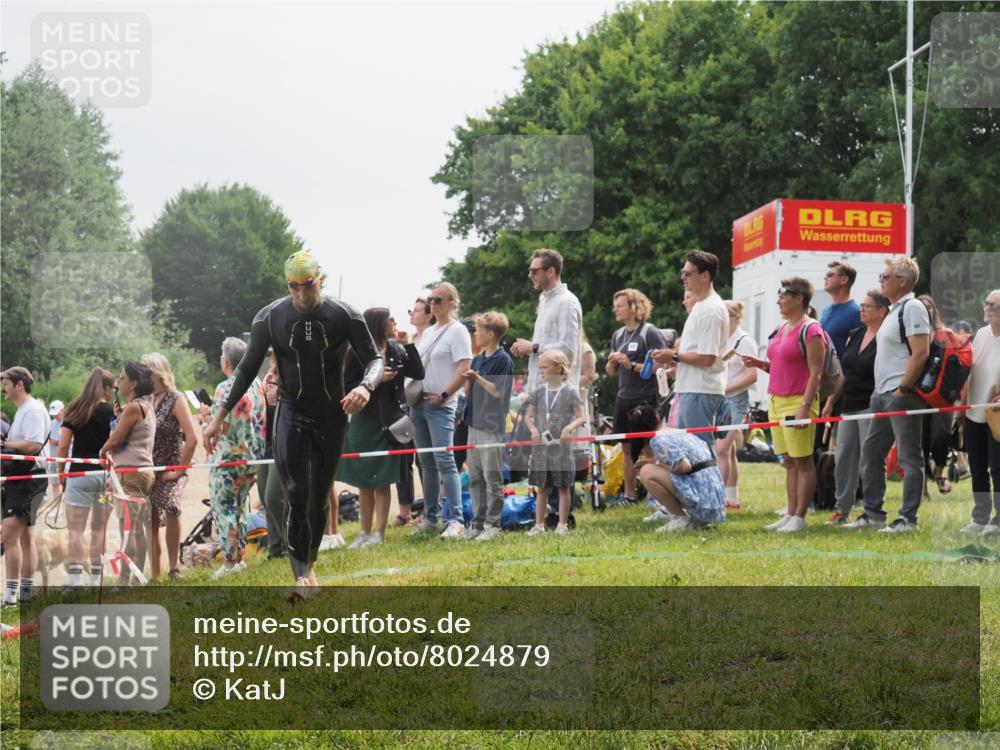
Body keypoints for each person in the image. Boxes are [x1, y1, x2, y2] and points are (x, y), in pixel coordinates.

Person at [202, 252, 382, 598]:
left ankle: (309, 563)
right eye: (293, 287)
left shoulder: (344, 314)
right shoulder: (270, 317)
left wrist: (365, 386)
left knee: (317, 497)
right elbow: (246, 369)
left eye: (308, 286)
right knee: (296, 492)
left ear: (320, 280)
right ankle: (300, 575)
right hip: (291, 410)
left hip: (331, 412)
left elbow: (374, 358)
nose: (301, 295)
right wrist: (217, 417)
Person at [845, 256, 930, 532]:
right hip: (880, 394)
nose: (880, 281)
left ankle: (908, 519)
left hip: (901, 394)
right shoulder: (894, 310)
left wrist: (904, 388)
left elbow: (921, 353)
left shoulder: (913, 308)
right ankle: (873, 514)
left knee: (909, 457)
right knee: (871, 453)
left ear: (903, 281)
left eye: (885, 277)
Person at [742, 278, 827, 533]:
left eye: (783, 296)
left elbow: (816, 373)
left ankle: (800, 517)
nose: (778, 301)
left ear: (799, 299)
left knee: (803, 462)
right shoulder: (782, 328)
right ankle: (790, 513)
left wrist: (804, 406)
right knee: (788, 461)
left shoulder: (811, 329)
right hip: (776, 400)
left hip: (798, 400)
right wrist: (760, 364)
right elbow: (782, 365)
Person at [339, 308, 424, 549]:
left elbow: (418, 373)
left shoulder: (397, 349)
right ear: (378, 324)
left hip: (391, 421)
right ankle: (363, 532)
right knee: (364, 479)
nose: (395, 322)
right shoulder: (357, 351)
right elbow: (346, 384)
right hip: (365, 420)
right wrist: (375, 381)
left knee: (383, 479)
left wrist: (408, 345)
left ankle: (379, 533)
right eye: (391, 319)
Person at [409, 282, 473, 539]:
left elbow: (464, 368)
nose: (433, 304)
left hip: (442, 405)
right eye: (431, 300)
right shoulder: (429, 331)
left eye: (438, 300)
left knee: (445, 461)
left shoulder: (458, 331)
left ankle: (455, 520)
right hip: (419, 403)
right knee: (426, 463)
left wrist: (445, 395)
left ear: (452, 303)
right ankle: (431, 517)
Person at [821, 290, 889, 525]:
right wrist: (831, 400)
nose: (862, 309)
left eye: (867, 306)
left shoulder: (886, 337)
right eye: (861, 305)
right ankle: (842, 509)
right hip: (848, 406)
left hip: (871, 405)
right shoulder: (855, 334)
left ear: (881, 311)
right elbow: (844, 373)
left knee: (868, 460)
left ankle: (872, 511)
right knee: (844, 457)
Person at [652, 252, 729, 453]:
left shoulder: (711, 309)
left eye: (687, 273)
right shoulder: (701, 306)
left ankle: (711, 486)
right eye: (682, 272)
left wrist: (673, 356)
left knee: (701, 451)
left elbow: (707, 358)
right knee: (691, 451)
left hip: (701, 390)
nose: (682, 277)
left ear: (704, 276)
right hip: (692, 389)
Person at [207, 338, 266, 579]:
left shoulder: (225, 388)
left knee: (224, 509)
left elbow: (220, 426)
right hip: (252, 457)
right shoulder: (257, 384)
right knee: (241, 507)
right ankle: (238, 556)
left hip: (229, 458)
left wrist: (209, 415)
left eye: (222, 356)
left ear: (227, 361)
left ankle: (230, 562)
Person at [605, 289, 667, 504]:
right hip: (624, 397)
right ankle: (629, 495)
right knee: (626, 447)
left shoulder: (648, 332)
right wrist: (613, 363)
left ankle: (654, 495)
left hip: (646, 397)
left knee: (649, 446)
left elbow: (660, 366)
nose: (616, 309)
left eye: (620, 305)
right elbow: (610, 372)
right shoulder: (618, 334)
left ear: (634, 307)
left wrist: (631, 364)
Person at [141, 352, 199, 581]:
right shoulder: (143, 400)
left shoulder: (176, 399)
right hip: (148, 468)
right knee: (151, 518)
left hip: (173, 467)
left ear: (157, 372)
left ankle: (173, 569)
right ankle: (155, 574)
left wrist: (179, 470)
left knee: (172, 508)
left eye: (146, 370)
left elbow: (192, 437)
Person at [58, 367, 116, 587]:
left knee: (76, 530)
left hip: (80, 473)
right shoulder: (111, 411)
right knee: (99, 530)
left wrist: (61, 474)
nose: (113, 393)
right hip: (105, 475)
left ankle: (75, 580)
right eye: (112, 389)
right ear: (106, 388)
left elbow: (63, 445)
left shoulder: (74, 408)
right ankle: (95, 578)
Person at [99, 361, 156, 586]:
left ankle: (126, 581)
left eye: (122, 378)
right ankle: (135, 578)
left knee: (129, 531)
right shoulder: (143, 406)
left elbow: (117, 440)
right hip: (139, 471)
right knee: (136, 529)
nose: (118, 382)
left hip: (130, 473)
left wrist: (102, 451)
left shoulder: (134, 408)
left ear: (133, 383)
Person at [461, 311, 514, 542]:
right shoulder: (477, 358)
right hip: (473, 421)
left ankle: (494, 524)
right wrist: (469, 379)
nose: (475, 333)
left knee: (492, 476)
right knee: (475, 476)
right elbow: (467, 391)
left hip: (490, 425)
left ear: (491, 334)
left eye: (478, 329)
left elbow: (498, 392)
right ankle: (477, 521)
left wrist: (477, 377)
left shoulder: (503, 360)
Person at [1, 367, 50, 605]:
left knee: (9, 534)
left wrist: (6, 443)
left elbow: (33, 445)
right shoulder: (24, 410)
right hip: (23, 477)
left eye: (6, 383)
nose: (3, 388)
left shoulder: (33, 410)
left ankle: (11, 597)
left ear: (20, 384)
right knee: (24, 537)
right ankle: (25, 594)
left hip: (29, 478)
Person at [524, 351, 586, 536]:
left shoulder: (570, 392)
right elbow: (528, 416)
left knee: (563, 486)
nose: (541, 371)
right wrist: (533, 430)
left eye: (545, 367)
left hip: (561, 448)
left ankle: (562, 524)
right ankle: (539, 524)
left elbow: (581, 416)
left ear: (559, 368)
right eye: (540, 367)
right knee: (541, 487)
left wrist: (569, 428)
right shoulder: (538, 392)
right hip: (542, 448)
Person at [511, 248, 583, 396]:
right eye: (529, 271)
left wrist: (534, 347)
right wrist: (526, 349)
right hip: (539, 392)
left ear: (550, 272)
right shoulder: (543, 299)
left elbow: (568, 350)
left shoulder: (567, 302)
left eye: (534, 271)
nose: (529, 275)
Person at [958, 289, 1000, 535]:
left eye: (992, 304)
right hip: (974, 410)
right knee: (977, 466)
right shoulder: (982, 334)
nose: (986, 307)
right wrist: (960, 408)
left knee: (998, 467)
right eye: (986, 303)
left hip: (996, 414)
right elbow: (970, 371)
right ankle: (980, 516)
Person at [393, 297, 437, 526]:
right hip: (405, 403)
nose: (411, 314)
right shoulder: (410, 339)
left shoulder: (431, 337)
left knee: (425, 459)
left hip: (426, 401)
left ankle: (430, 509)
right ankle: (404, 510)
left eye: (416, 310)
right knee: (403, 456)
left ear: (429, 315)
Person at [637, 428, 726, 532]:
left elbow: (684, 466)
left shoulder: (657, 440)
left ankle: (681, 518)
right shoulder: (678, 433)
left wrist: (656, 464)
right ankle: (682, 516)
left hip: (702, 502)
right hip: (714, 501)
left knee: (646, 471)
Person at [715, 301, 758, 510]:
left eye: (726, 317)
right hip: (721, 400)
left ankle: (717, 497)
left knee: (721, 449)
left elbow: (751, 376)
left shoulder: (744, 341)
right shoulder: (722, 340)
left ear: (736, 318)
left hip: (736, 399)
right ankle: (731, 497)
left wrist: (726, 388)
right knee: (729, 449)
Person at [918, 295, 962, 496]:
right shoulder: (913, 335)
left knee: (941, 435)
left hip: (943, 396)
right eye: (921, 308)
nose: (926, 311)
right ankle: (922, 485)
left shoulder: (946, 335)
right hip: (918, 395)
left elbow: (960, 365)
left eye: (929, 307)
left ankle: (939, 472)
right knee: (920, 440)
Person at [257, 352, 293, 557]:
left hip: (284, 443)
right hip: (265, 443)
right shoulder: (268, 378)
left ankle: (291, 545)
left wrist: (279, 397)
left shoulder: (297, 377)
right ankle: (274, 549)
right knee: (264, 498)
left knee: (273, 497)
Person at [820, 261, 861, 359]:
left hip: (843, 373)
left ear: (844, 280)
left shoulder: (856, 312)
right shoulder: (825, 311)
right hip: (823, 373)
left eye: (829, 275)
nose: (825, 278)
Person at [46, 399, 65, 501]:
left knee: (65, 483)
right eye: (53, 414)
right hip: (52, 457)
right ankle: (55, 506)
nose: (55, 416)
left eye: (57, 414)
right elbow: (45, 437)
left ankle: (67, 507)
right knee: (54, 484)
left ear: (63, 410)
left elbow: (73, 439)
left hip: (65, 458)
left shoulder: (68, 423)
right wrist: (49, 440)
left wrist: (57, 442)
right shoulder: (50, 423)